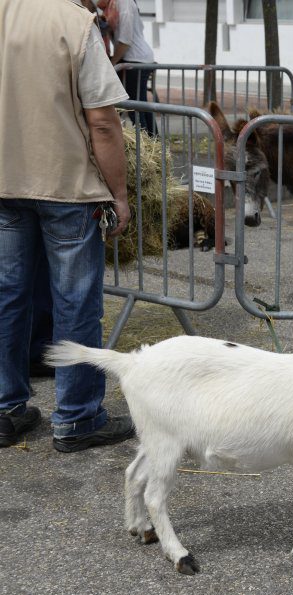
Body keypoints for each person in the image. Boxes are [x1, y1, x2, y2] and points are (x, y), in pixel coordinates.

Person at [0, 0, 133, 451]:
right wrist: (120, 195)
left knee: (7, 297)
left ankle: (5, 408)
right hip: (66, 185)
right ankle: (76, 417)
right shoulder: (75, 24)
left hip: (6, 181)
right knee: (75, 303)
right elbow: (103, 121)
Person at [107, 0, 156, 135]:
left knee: (135, 107)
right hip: (136, 59)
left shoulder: (124, 3)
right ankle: (154, 143)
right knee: (141, 105)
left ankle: (148, 145)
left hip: (136, 60)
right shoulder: (117, 3)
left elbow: (125, 41)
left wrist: (112, 63)